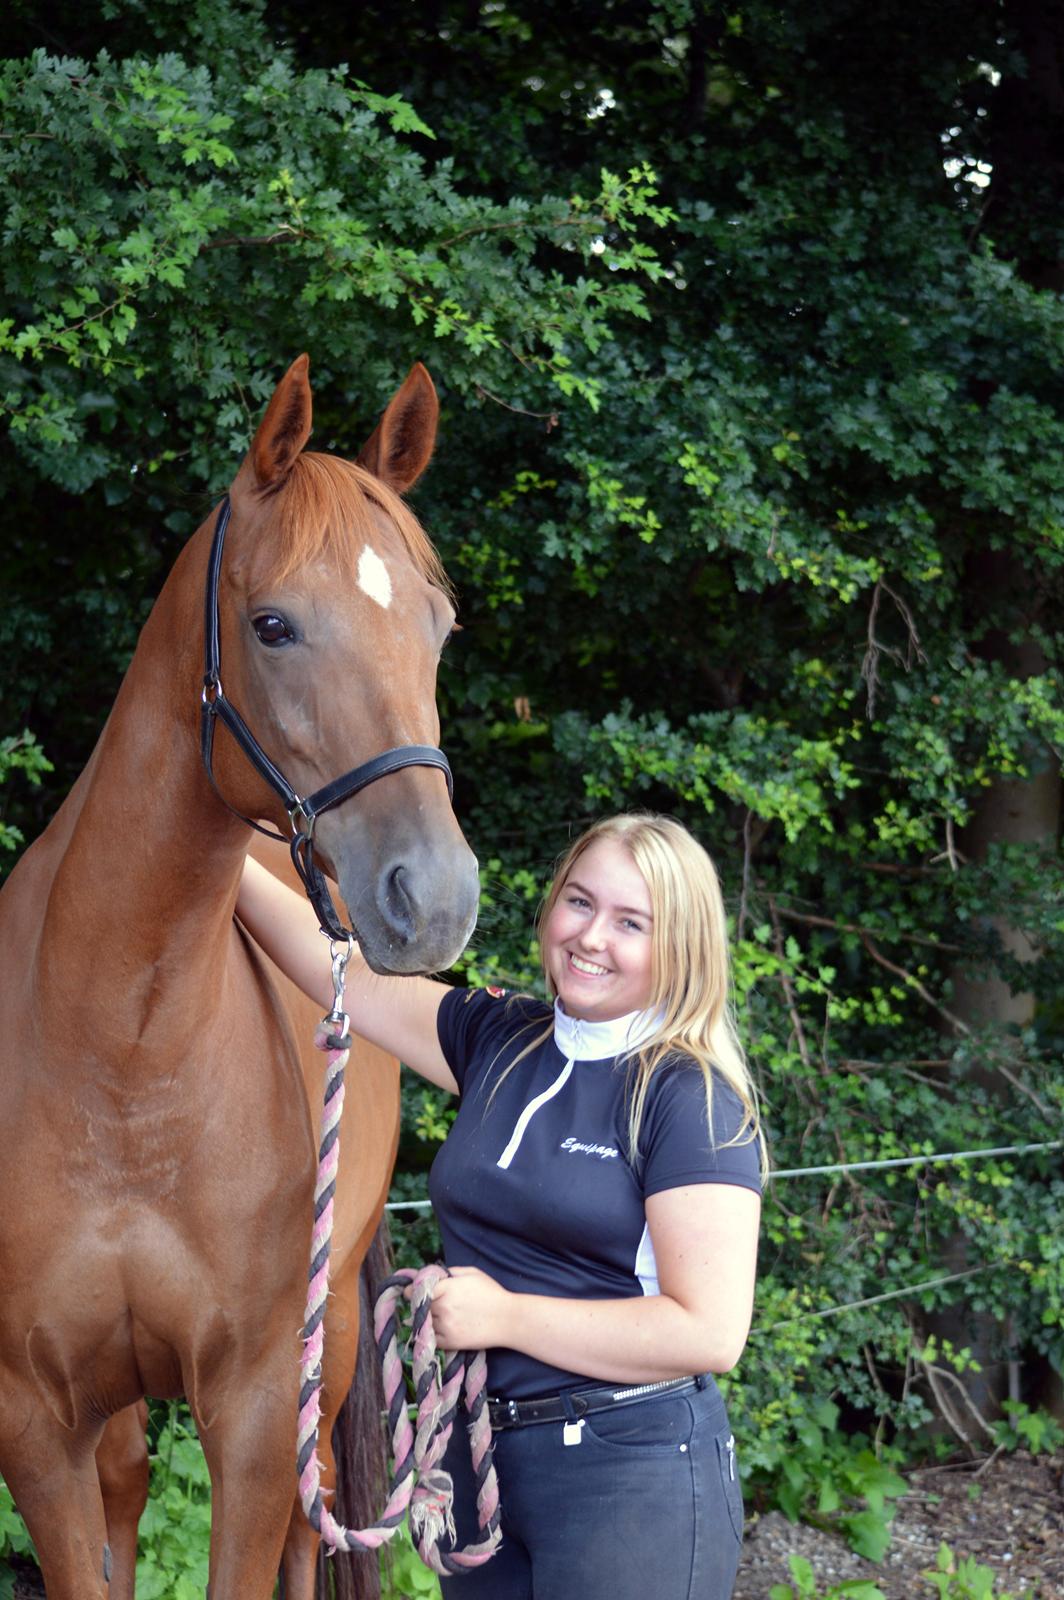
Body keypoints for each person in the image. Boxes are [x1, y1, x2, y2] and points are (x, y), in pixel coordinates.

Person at [237, 812, 764, 1600]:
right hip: (481, 1464)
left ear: (679, 947)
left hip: (631, 1475)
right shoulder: (501, 1036)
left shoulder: (689, 1097)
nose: (591, 937)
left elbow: (710, 1331)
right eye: (579, 903)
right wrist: (225, 856)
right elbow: (335, 968)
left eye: (631, 923)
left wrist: (504, 1317)